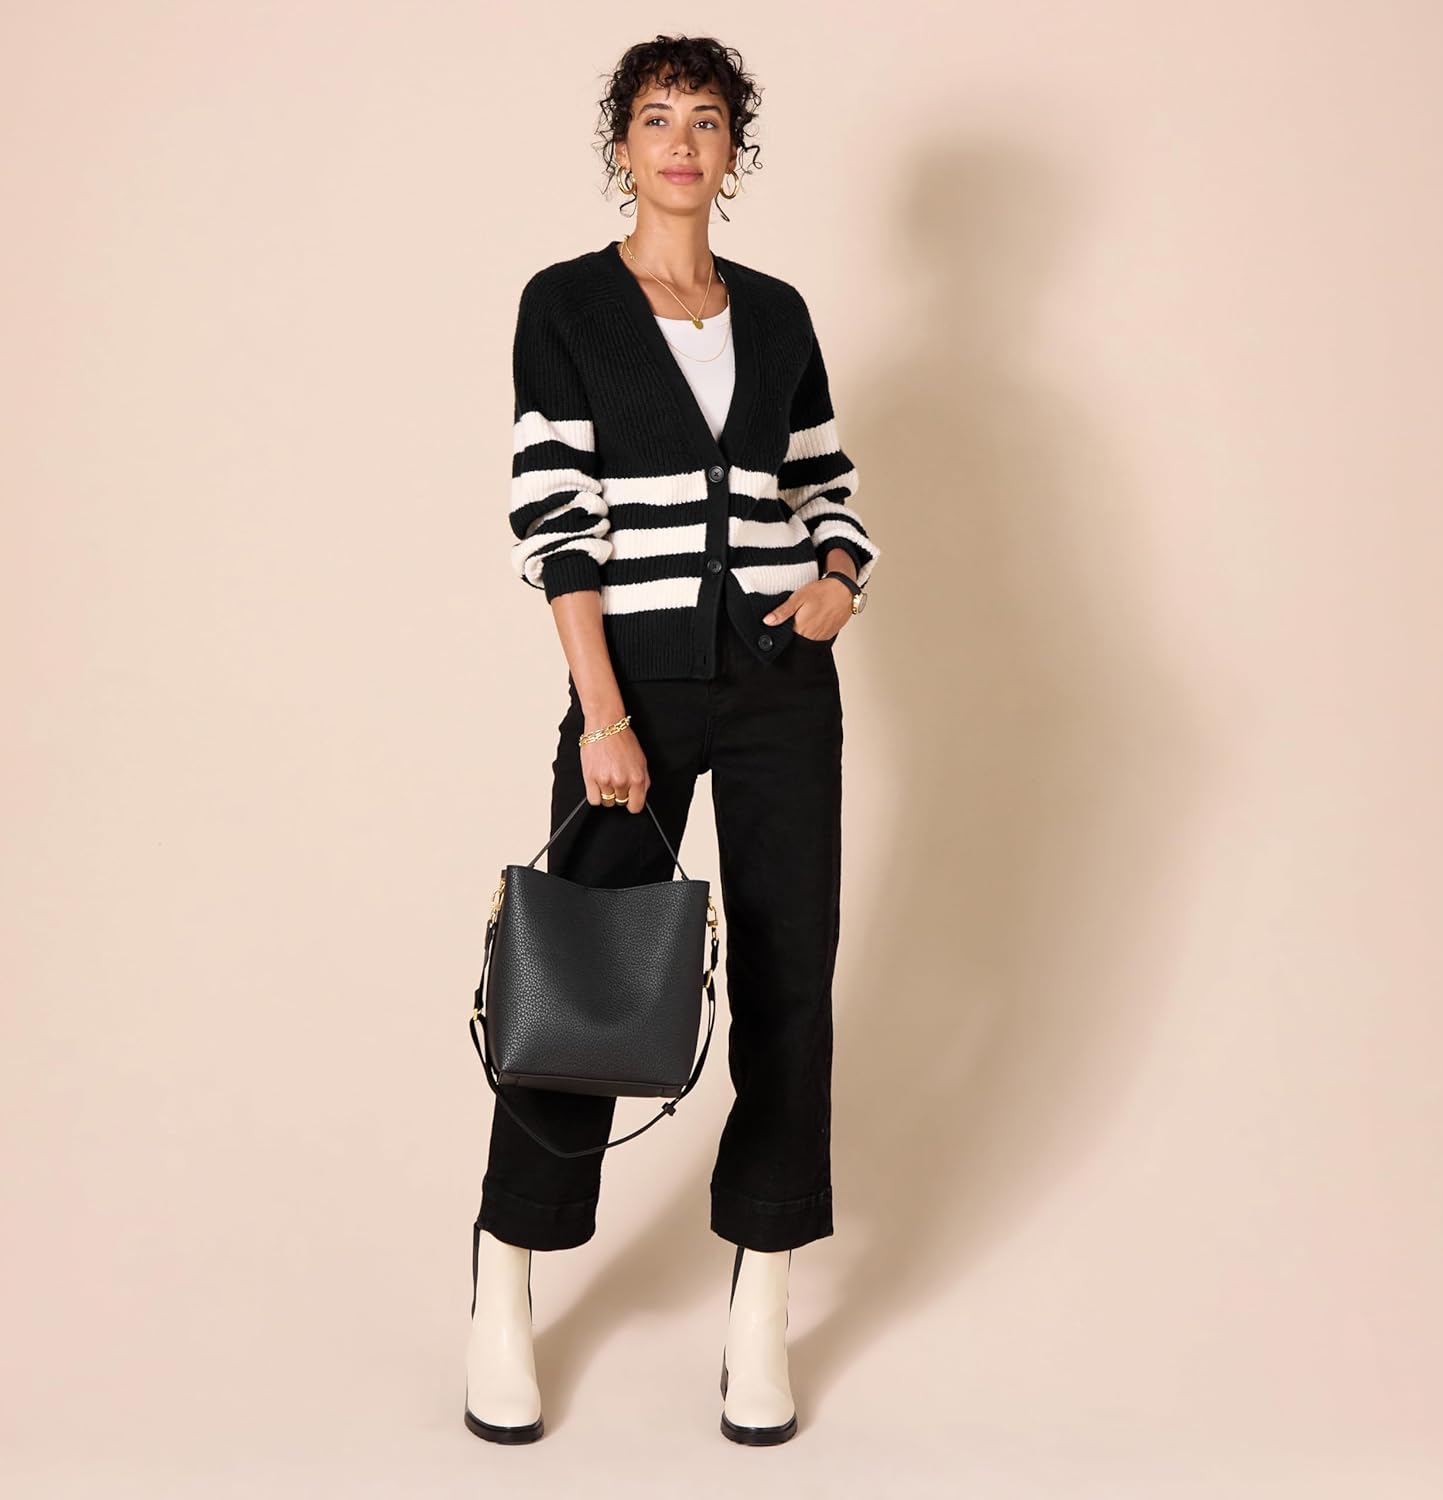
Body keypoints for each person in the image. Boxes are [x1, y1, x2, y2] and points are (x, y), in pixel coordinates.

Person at [464, 34, 881, 1447]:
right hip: (632, 681)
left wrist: (837, 583)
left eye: (707, 120)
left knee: (789, 979)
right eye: (658, 119)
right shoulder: (567, 305)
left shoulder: (778, 312)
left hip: (779, 688)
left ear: (733, 151)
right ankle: (504, 1275)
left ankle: (762, 1301)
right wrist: (603, 710)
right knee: (583, 973)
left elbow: (827, 481)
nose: (683, 143)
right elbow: (554, 516)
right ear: (623, 147)